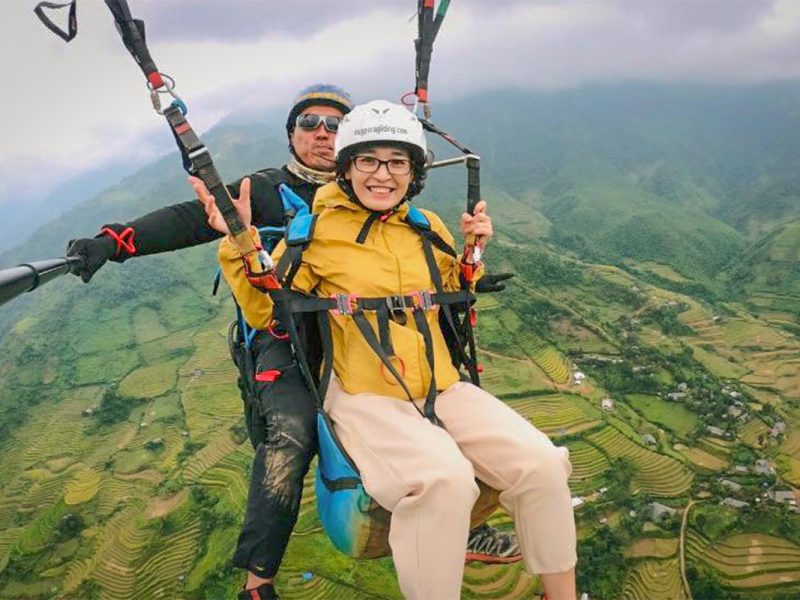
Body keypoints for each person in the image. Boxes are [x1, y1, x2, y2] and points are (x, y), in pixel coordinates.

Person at [66, 86, 520, 600]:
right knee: (290, 432)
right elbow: (189, 219)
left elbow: (406, 262)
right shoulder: (261, 191)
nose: (323, 134)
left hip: (369, 332)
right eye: (310, 123)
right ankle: (258, 580)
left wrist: (466, 281)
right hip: (287, 333)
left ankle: (460, 523)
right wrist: (113, 242)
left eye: (334, 125)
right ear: (292, 134)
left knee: (443, 398)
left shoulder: (379, 189)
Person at [208, 100, 577, 600]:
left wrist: (474, 253)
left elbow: (455, 294)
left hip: (441, 386)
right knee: (442, 481)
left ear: (414, 172)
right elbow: (263, 307)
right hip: (365, 394)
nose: (383, 174)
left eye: (397, 162)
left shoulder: (428, 230)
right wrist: (240, 242)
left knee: (544, 465)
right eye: (368, 160)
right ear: (346, 167)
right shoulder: (310, 237)